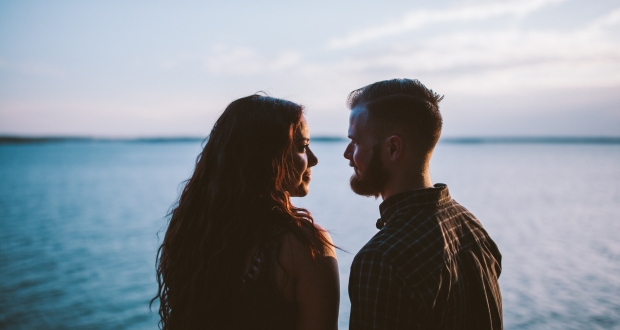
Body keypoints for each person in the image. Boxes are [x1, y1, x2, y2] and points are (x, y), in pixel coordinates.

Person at [153, 95, 340, 330]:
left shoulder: (191, 233)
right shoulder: (306, 246)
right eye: (302, 147)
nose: (313, 159)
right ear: (268, 156)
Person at [344, 79, 503, 329]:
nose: (347, 153)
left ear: (393, 149)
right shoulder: (472, 226)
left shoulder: (382, 259)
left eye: (355, 142)